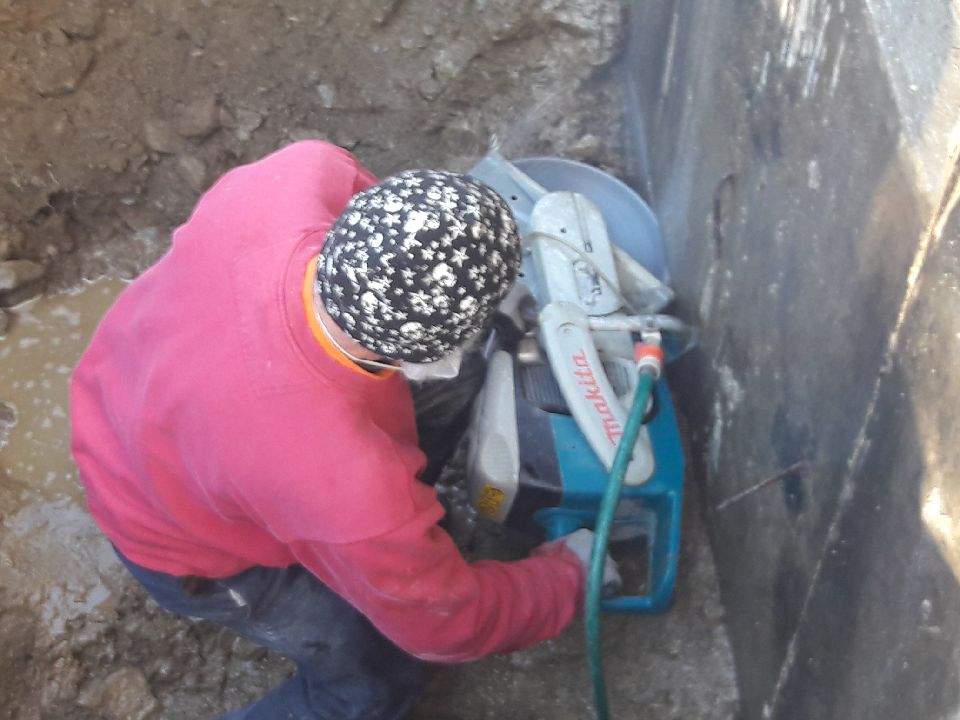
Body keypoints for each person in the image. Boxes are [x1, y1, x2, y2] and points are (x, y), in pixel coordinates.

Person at [70, 140, 618, 720]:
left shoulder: (297, 178)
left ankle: (398, 547)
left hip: (126, 404)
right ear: (429, 352)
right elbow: (448, 626)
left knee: (445, 402)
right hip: (177, 537)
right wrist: (567, 580)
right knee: (375, 680)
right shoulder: (345, 488)